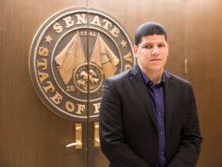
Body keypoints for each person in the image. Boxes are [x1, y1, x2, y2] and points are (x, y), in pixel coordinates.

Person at [99, 21, 202, 167]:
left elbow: (192, 139)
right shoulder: (115, 87)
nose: (155, 51)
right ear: (136, 50)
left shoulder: (184, 89)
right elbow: (111, 142)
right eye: (148, 46)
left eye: (161, 45)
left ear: (168, 49)